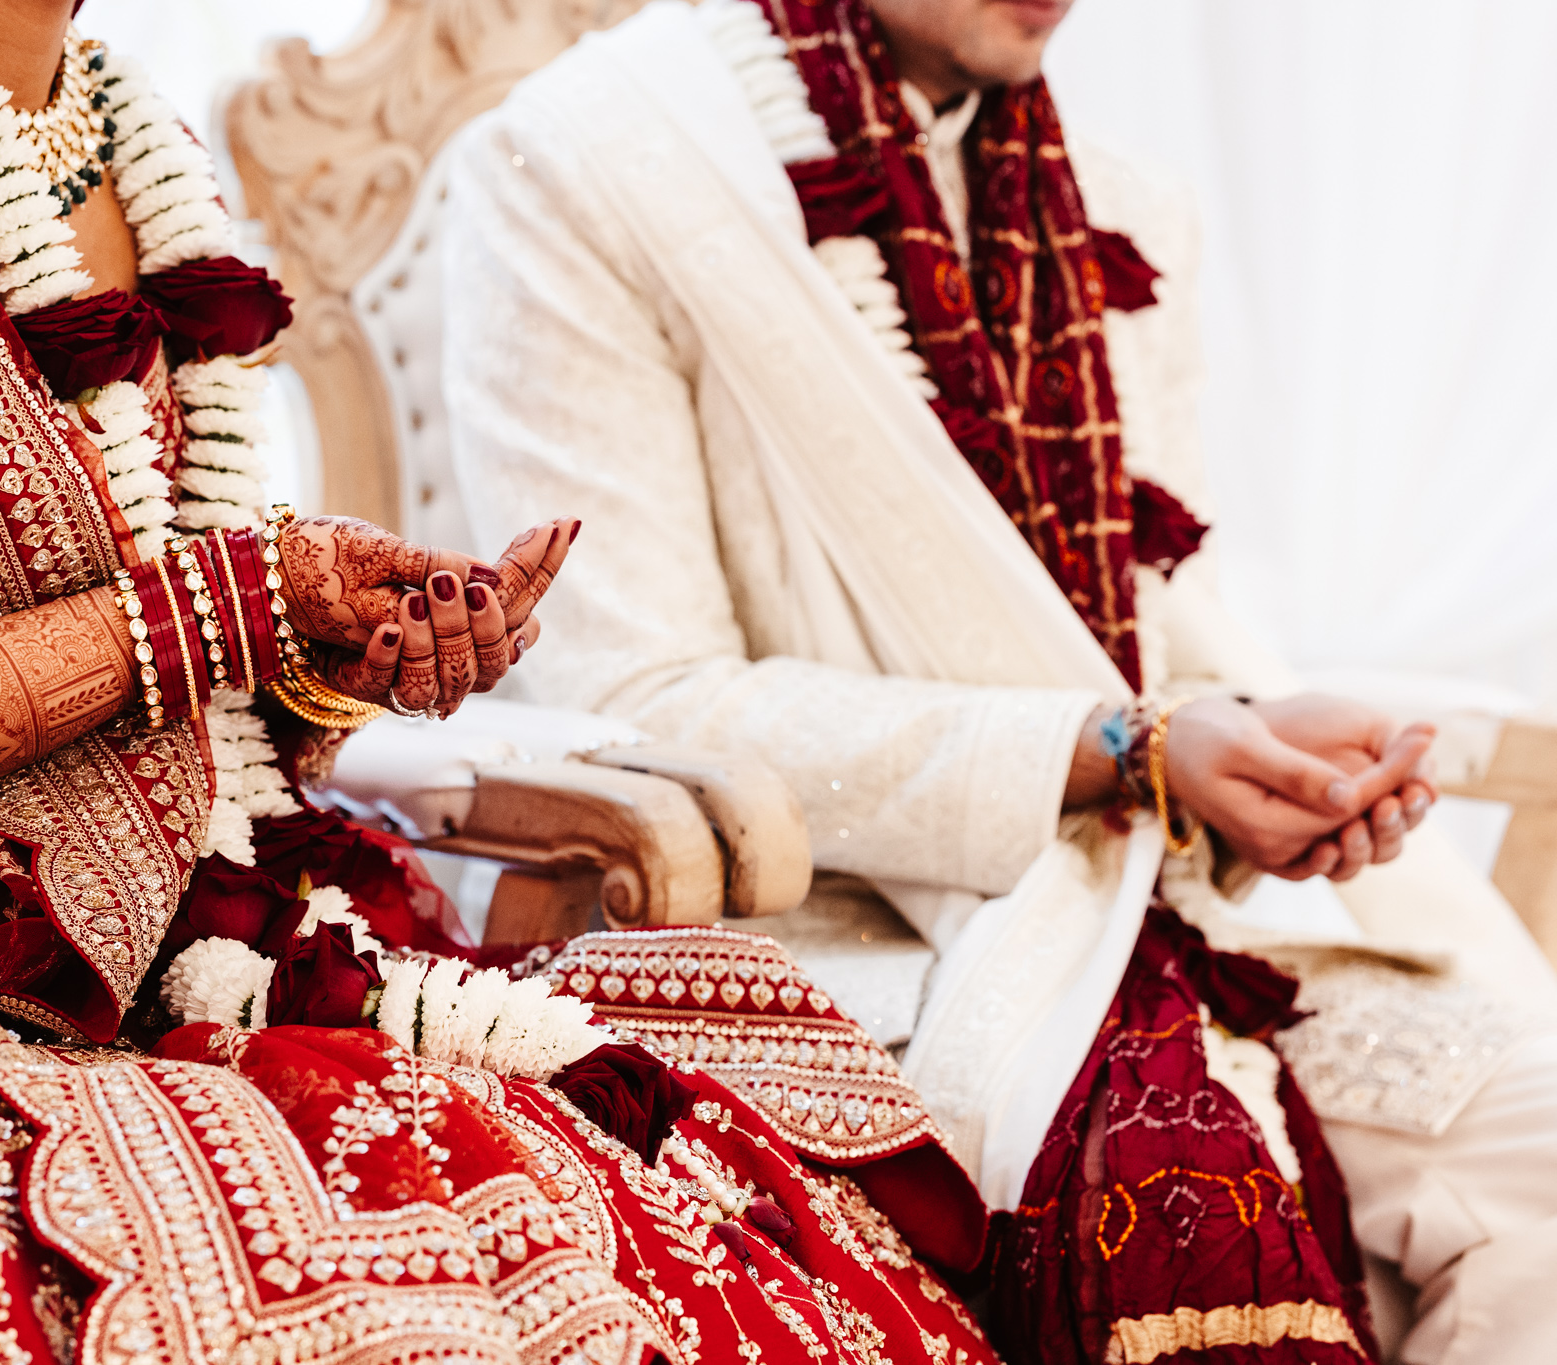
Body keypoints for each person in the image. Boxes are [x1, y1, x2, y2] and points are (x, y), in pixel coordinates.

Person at [0, 1, 999, 1361]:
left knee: (709, 1172)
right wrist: (234, 604)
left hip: (213, 939)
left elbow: (201, 698)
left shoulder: (124, 129)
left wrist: (326, 661)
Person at [439, 0, 1557, 1359]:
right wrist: (1119, 749)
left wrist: (1274, 753)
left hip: (1162, 897)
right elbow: (639, 704)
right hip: (842, 938)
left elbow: (1155, 628)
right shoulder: (593, 165)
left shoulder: (1117, 205)